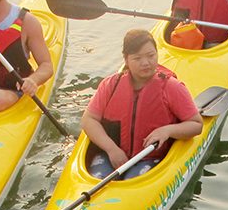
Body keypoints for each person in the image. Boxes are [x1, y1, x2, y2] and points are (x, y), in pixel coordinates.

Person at [80, 29, 203, 179]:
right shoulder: (110, 85)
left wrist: (167, 131)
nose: (145, 63)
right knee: (98, 179)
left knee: (132, 179)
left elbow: (196, 124)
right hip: (111, 154)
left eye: (151, 56)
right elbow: (88, 119)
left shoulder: (172, 87)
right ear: (126, 60)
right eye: (137, 58)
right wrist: (111, 149)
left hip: (150, 158)